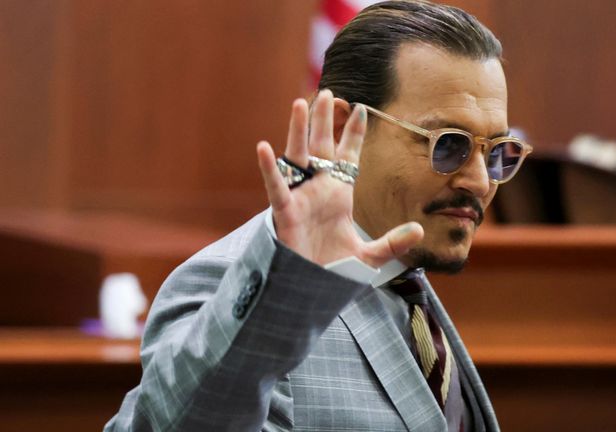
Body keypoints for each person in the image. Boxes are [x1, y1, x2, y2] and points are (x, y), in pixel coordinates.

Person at [106, 1, 531, 430]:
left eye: (496, 152)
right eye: (448, 144)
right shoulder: (236, 281)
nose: (479, 181)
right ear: (345, 127)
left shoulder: (405, 281)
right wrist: (288, 289)